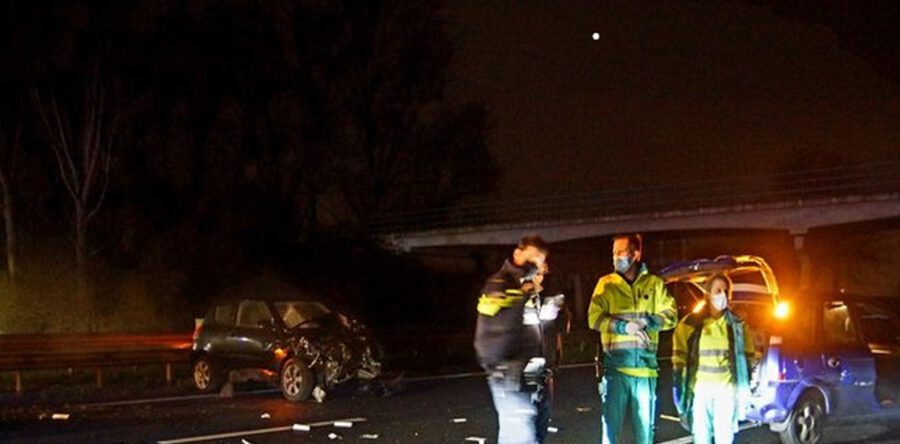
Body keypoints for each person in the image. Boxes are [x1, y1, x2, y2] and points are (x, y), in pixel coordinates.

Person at [588, 233, 678, 444]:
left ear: (636, 254)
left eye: (621, 252)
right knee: (610, 433)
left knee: (645, 435)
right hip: (615, 371)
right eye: (614, 253)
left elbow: (672, 315)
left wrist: (649, 322)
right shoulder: (606, 284)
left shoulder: (654, 284)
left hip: (645, 372)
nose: (616, 257)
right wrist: (623, 327)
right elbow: (594, 318)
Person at [474, 235, 549, 444]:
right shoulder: (499, 283)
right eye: (532, 257)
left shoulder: (527, 288)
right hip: (507, 369)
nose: (536, 264)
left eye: (540, 260)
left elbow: (536, 331)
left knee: (531, 425)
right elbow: (494, 322)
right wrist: (521, 294)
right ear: (517, 254)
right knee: (519, 429)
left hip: (531, 368)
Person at [672, 273, 758, 444]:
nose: (723, 295)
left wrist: (748, 385)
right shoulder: (690, 324)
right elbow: (679, 358)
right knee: (702, 438)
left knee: (724, 438)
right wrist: (679, 390)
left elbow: (749, 357)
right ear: (708, 294)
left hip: (726, 393)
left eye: (726, 291)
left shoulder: (738, 326)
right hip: (701, 392)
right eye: (718, 290)